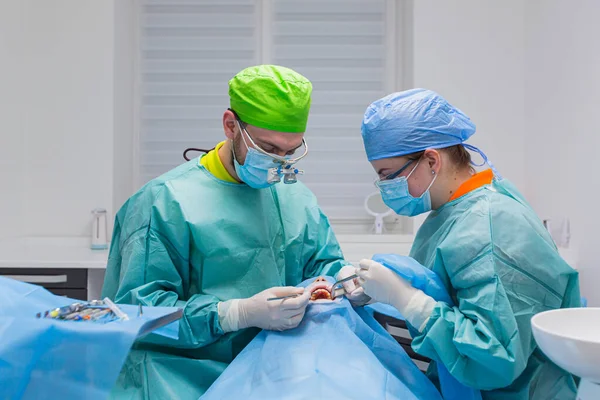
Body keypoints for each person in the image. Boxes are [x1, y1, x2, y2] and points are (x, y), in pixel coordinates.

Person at [102, 65, 348, 399]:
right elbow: (139, 311)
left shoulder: (295, 197)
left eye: (290, 152)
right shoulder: (164, 202)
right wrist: (234, 314)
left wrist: (334, 283)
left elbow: (323, 265)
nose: (280, 163)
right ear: (231, 125)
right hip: (180, 378)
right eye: (268, 149)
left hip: (272, 374)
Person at [337, 89, 581, 400]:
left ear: (430, 160)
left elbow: (494, 358)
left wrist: (408, 300)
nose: (384, 188)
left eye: (388, 175)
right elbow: (452, 293)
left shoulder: (490, 226)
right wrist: (382, 294)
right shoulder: (457, 209)